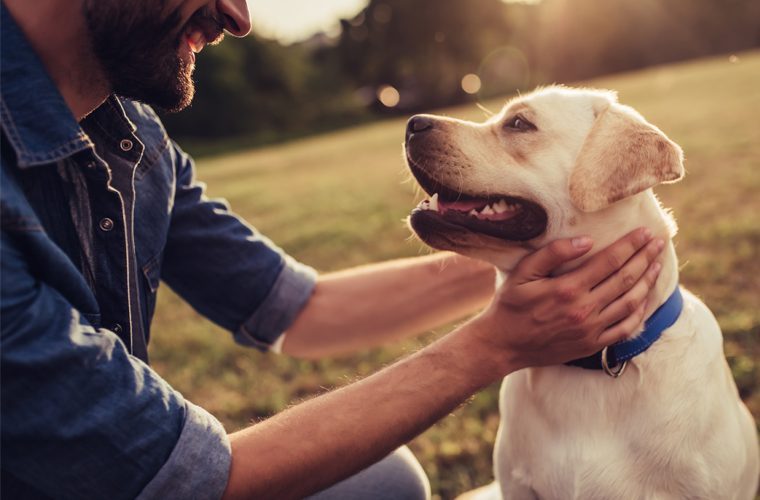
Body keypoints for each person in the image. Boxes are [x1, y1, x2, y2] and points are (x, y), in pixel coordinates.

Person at [0, 1, 664, 498]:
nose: (237, 16)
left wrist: (543, 251)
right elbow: (178, 480)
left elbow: (301, 308)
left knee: (384, 484)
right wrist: (496, 344)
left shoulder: (132, 138)